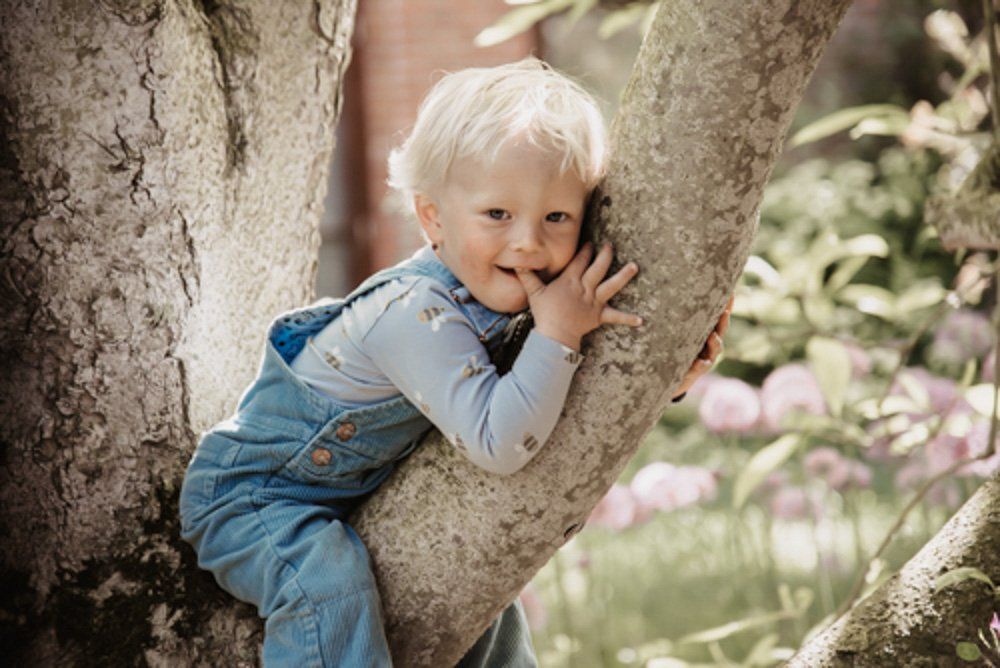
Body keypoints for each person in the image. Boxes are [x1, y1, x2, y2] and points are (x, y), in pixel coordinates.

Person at [179, 57, 728, 667]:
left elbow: (552, 384)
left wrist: (663, 380)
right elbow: (501, 440)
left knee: (488, 599)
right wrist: (559, 331)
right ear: (432, 217)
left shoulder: (509, 292)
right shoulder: (413, 313)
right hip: (261, 497)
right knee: (328, 587)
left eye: (557, 217)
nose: (528, 241)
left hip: (351, 489)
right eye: (497, 214)